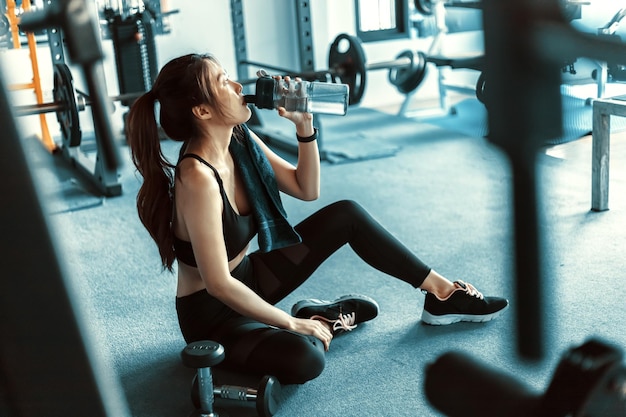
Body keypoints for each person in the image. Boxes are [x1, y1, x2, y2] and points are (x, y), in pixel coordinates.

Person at [126, 53, 509, 385]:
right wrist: (292, 324)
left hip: (252, 280)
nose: (237, 84)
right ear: (203, 111)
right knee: (305, 358)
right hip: (213, 314)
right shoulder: (197, 179)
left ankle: (443, 294)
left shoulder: (239, 138)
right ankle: (314, 318)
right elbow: (219, 284)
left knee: (347, 215)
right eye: (222, 81)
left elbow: (305, 189)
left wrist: (304, 127)